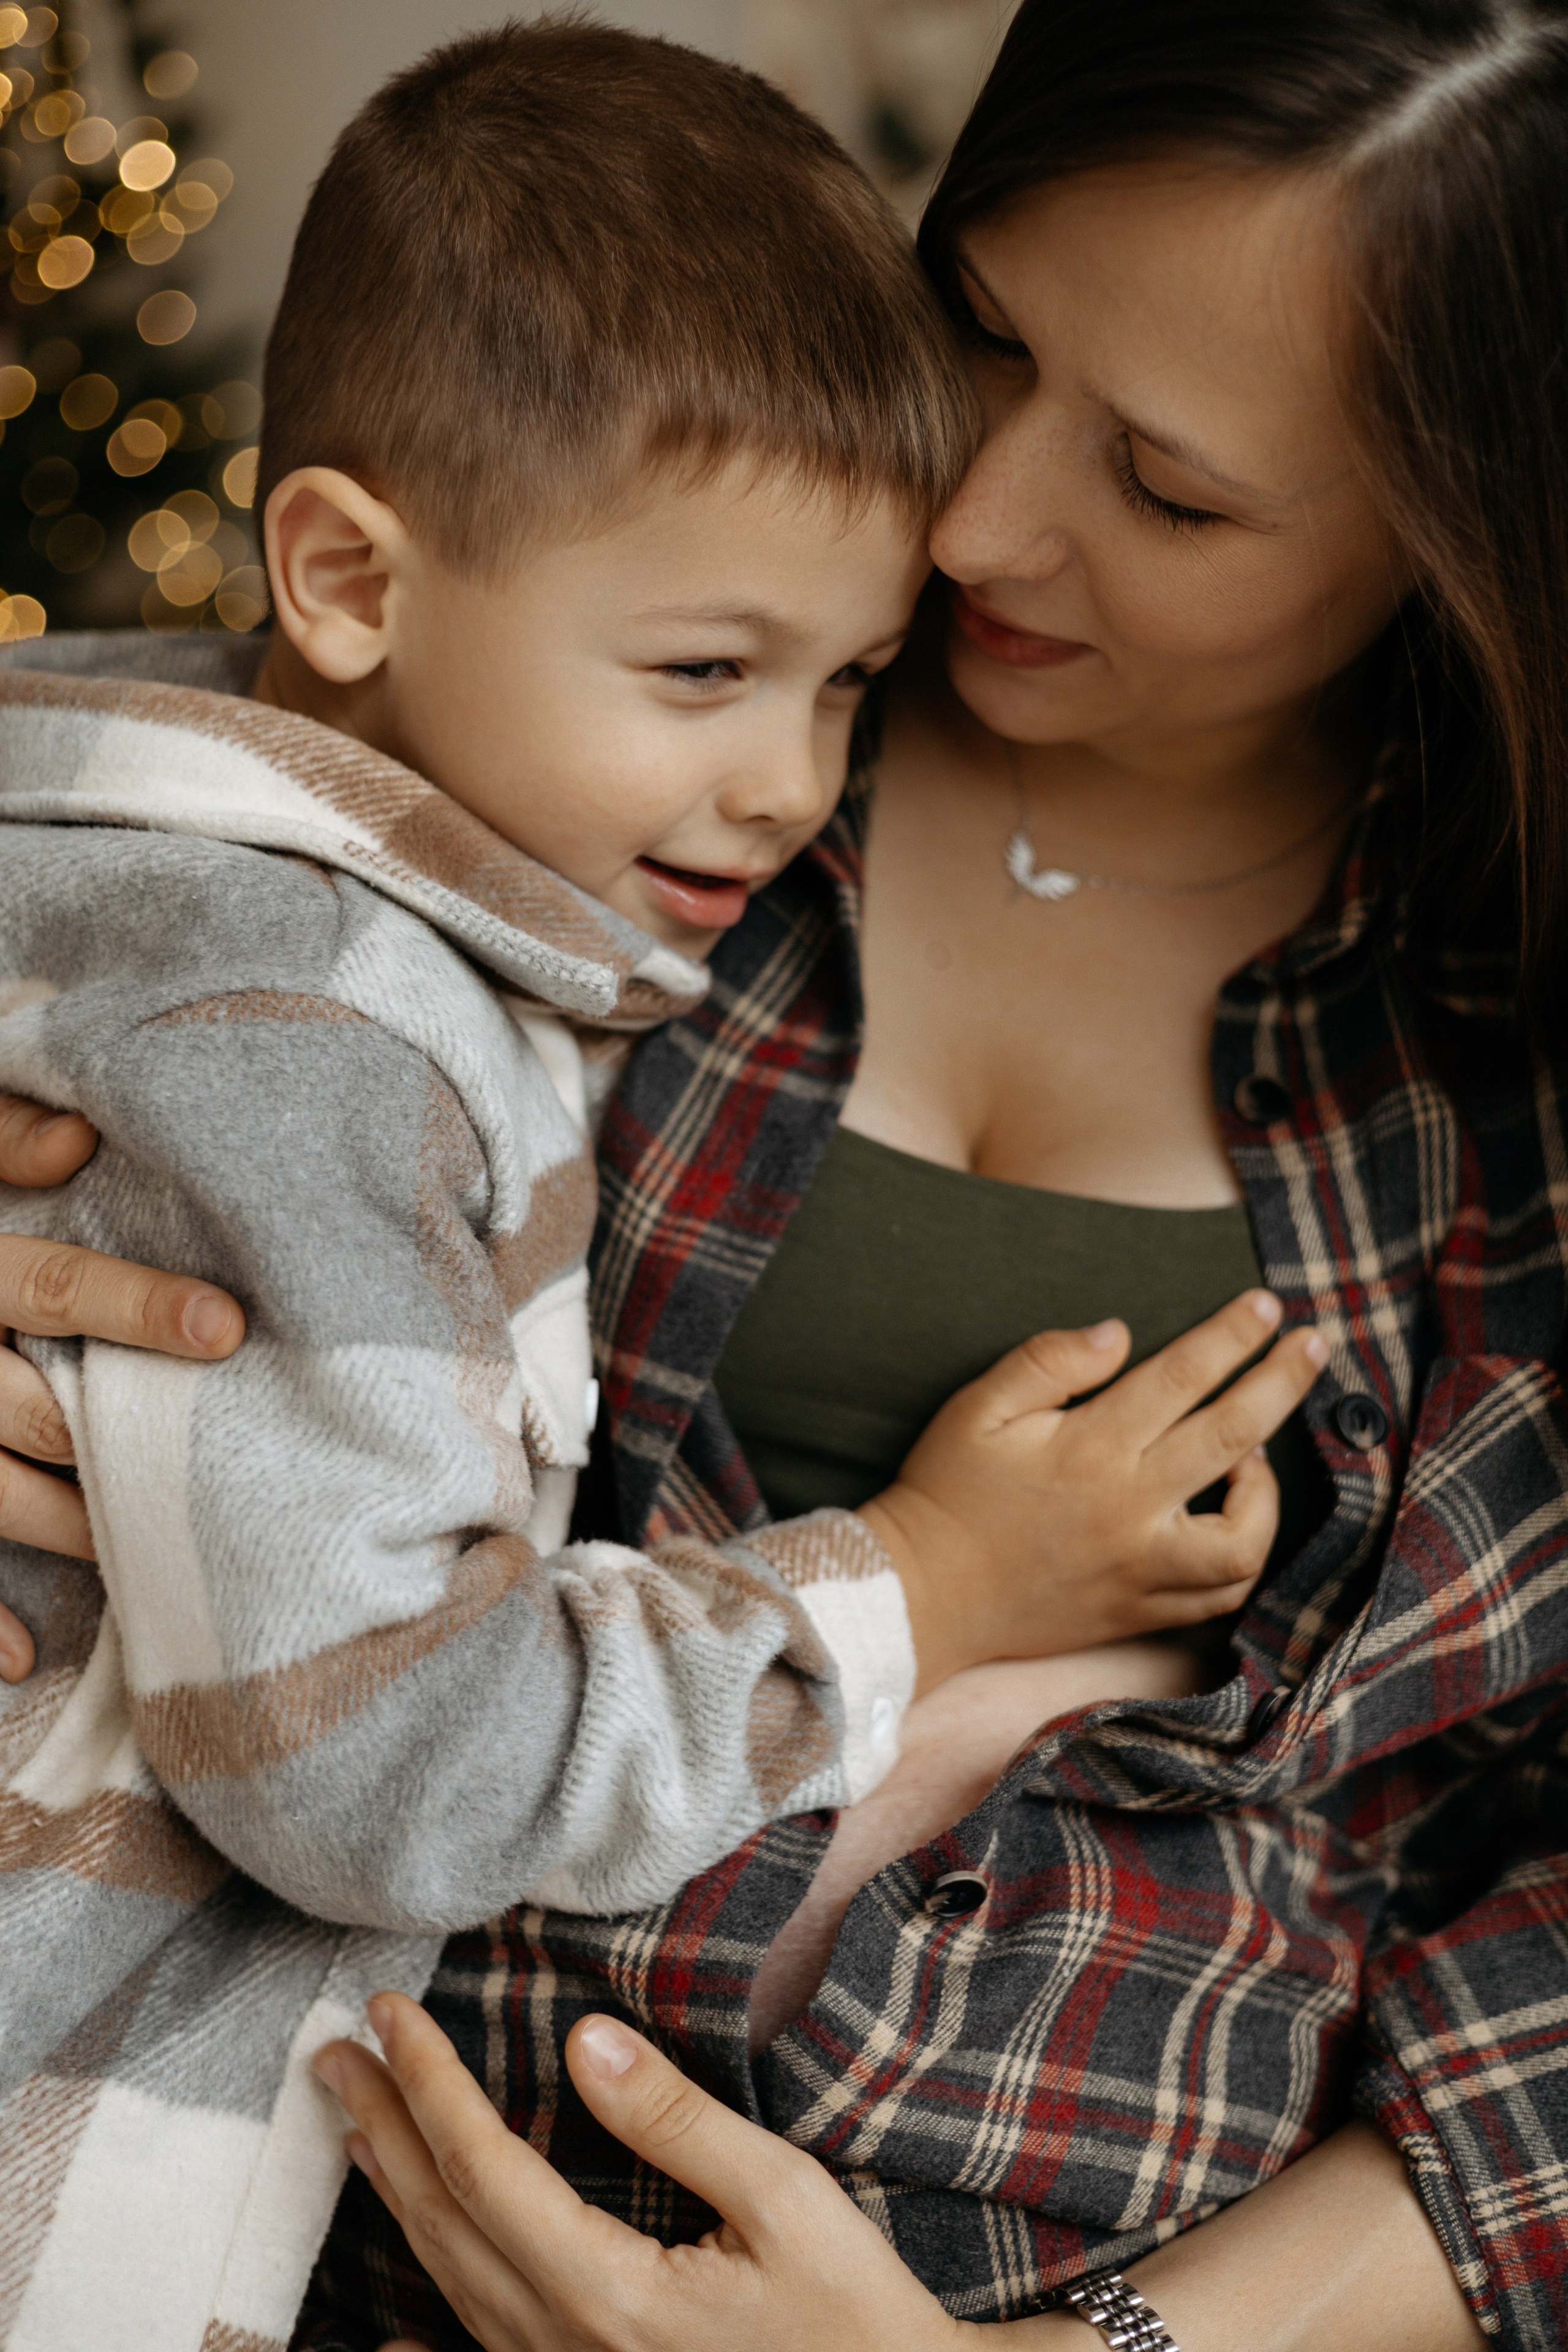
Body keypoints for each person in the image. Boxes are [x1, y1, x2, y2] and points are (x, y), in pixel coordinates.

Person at [6, 0, 1564, 2345]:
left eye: (1170, 486)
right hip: (269, 2219)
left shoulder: (1504, 1057)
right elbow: (156, 865)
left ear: (1469, 535)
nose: (973, 519)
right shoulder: (596, 696)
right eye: (977, 340)